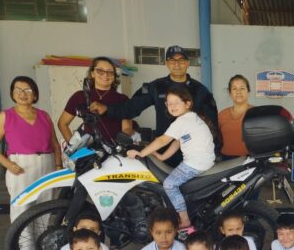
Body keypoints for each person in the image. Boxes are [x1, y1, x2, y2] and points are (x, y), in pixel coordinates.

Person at [89, 45, 218, 166]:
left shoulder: (200, 90)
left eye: (181, 60)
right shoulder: (156, 87)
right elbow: (130, 108)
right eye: (172, 60)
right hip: (164, 148)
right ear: (166, 63)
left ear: (187, 63)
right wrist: (107, 109)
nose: (177, 64)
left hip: (194, 151)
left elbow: (212, 124)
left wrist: (215, 151)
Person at [127, 84, 216, 233]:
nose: (172, 106)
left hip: (196, 163)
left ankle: (185, 220)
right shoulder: (191, 118)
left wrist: (141, 153)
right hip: (204, 161)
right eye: (169, 103)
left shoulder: (182, 121)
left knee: (169, 184)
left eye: (176, 102)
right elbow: (177, 141)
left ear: (187, 104)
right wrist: (162, 156)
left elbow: (163, 140)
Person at [0, 76, 62, 222]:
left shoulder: (44, 116)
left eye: (27, 90)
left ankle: (41, 243)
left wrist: (58, 167)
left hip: (47, 166)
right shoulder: (5, 116)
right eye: (18, 90)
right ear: (12, 94)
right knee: (22, 211)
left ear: (35, 94)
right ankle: (23, 245)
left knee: (44, 209)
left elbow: (55, 145)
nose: (22, 94)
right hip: (20, 167)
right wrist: (7, 164)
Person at [58, 56, 132, 143]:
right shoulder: (80, 96)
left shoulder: (122, 99)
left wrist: (119, 146)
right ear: (92, 73)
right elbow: (62, 123)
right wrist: (73, 147)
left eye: (110, 72)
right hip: (88, 152)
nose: (105, 74)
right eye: (100, 71)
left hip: (114, 150)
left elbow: (127, 129)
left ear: (114, 76)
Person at [218, 74, 253, 158]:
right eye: (234, 89)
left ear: (248, 91)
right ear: (230, 93)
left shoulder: (256, 113)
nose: (238, 92)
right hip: (226, 160)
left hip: (250, 160)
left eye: (242, 88)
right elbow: (219, 139)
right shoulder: (222, 115)